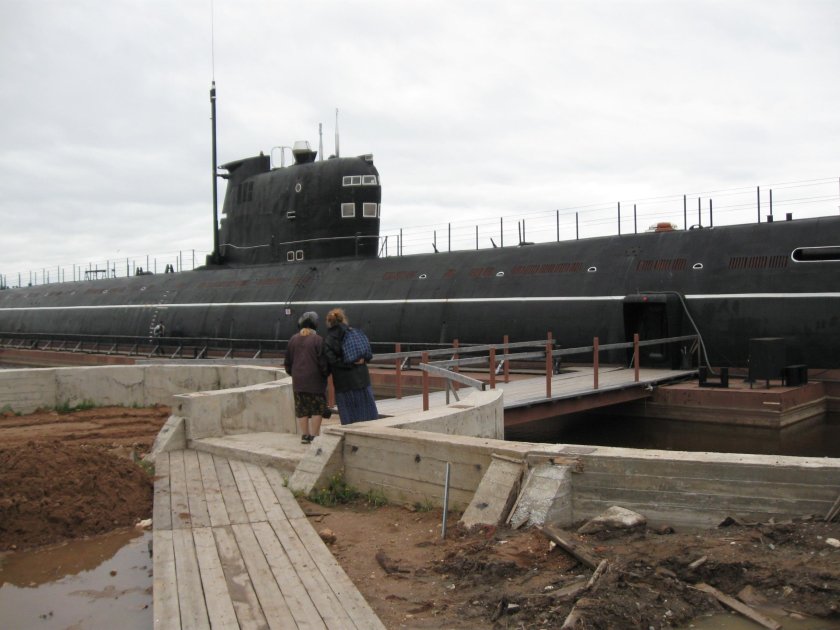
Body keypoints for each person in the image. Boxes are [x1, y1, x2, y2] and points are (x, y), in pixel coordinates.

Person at [323, 308, 379, 424]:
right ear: (343, 319)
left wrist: (348, 364)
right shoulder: (354, 332)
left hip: (344, 385)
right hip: (363, 380)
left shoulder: (328, 339)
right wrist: (360, 360)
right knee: (368, 417)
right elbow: (367, 353)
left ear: (329, 322)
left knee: (350, 419)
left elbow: (333, 361)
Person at [284, 311, 328, 444]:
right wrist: (325, 374)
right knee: (317, 409)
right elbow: (323, 363)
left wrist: (295, 374)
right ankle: (314, 436)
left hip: (298, 382)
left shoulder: (293, 339)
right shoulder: (318, 340)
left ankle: (305, 436)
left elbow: (287, 362)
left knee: (301, 409)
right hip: (315, 382)